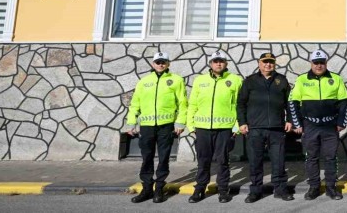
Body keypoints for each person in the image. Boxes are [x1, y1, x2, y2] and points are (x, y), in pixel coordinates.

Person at [125, 51, 187, 203]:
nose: (160, 64)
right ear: (153, 64)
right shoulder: (143, 81)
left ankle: (159, 189)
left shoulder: (176, 80)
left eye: (163, 62)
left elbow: (183, 103)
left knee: (164, 158)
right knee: (147, 158)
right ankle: (147, 189)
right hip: (147, 127)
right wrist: (131, 122)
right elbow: (135, 104)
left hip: (166, 126)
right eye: (158, 62)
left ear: (168, 64)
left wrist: (180, 122)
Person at [288, 49, 347, 200]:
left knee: (330, 158)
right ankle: (314, 187)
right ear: (311, 63)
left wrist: (341, 122)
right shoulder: (302, 79)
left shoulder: (336, 79)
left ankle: (331, 187)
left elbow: (344, 102)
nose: (319, 66)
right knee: (312, 158)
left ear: (326, 63)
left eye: (322, 62)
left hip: (330, 126)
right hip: (310, 126)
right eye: (316, 63)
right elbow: (293, 102)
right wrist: (297, 124)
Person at [186, 50, 243, 204]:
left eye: (221, 61)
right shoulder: (200, 80)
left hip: (225, 129)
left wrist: (236, 128)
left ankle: (223, 190)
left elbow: (239, 105)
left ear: (226, 64)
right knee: (203, 161)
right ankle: (199, 190)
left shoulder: (235, 80)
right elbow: (193, 104)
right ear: (210, 64)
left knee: (223, 161)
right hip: (202, 128)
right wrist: (191, 127)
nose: (218, 63)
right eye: (215, 61)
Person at [237, 52, 294, 203]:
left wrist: (289, 120)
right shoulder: (250, 81)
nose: (268, 64)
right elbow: (241, 103)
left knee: (279, 160)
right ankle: (255, 191)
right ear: (259, 63)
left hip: (277, 127)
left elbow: (289, 102)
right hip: (255, 128)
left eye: (271, 62)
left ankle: (281, 189)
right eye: (265, 62)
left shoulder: (281, 80)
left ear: (274, 63)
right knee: (255, 161)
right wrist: (242, 122)